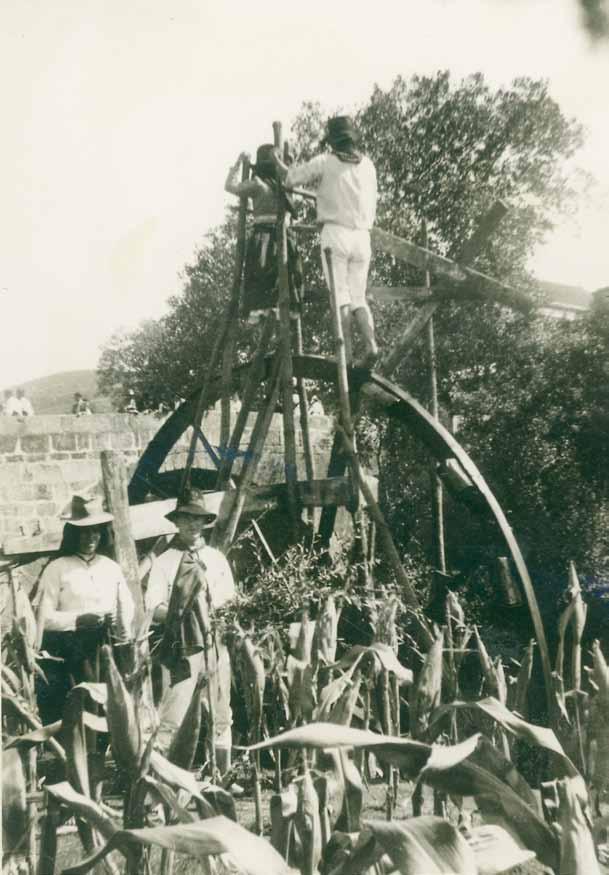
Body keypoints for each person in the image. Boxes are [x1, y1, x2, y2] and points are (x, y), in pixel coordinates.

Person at [271, 116, 379, 368]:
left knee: (340, 296)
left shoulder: (326, 161)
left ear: (333, 142)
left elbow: (291, 179)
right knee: (358, 297)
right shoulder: (369, 166)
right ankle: (372, 345)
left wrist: (278, 160)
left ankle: (346, 355)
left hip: (336, 234)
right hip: (363, 236)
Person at [145, 494, 236, 770]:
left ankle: (224, 775)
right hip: (183, 645)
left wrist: (217, 617)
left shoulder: (216, 559)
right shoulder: (165, 562)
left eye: (197, 518)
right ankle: (160, 778)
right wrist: (181, 613)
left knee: (221, 712)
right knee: (173, 714)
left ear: (205, 522)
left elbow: (230, 600)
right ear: (177, 522)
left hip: (215, 643)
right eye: (186, 518)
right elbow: (152, 607)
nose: (192, 525)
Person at [33, 496, 135, 724]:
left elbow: (127, 605)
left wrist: (120, 622)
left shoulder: (111, 568)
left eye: (95, 532)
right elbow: (44, 618)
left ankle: (102, 754)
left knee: (108, 707)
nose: (90, 538)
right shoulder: (57, 569)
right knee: (80, 709)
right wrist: (79, 620)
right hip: (73, 651)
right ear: (73, 534)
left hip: (107, 648)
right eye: (84, 532)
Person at [225, 145, 304, 324]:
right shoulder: (286, 184)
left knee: (263, 274)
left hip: (267, 237)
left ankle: (265, 311)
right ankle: (280, 311)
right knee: (284, 274)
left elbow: (230, 186)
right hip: (282, 237)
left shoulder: (259, 184)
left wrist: (238, 163)